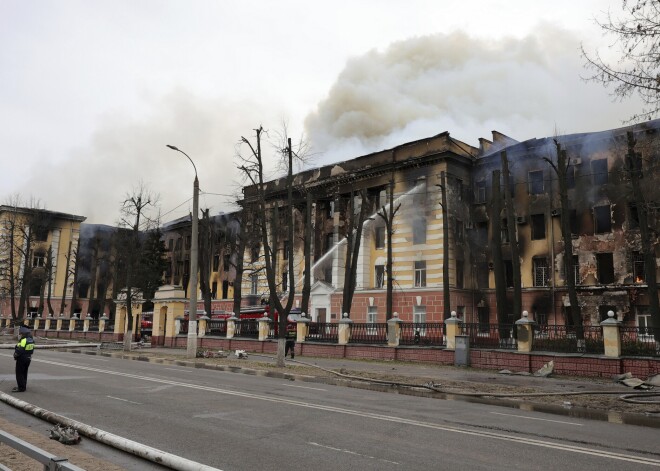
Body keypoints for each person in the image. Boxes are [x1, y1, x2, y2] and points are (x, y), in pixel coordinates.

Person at [13, 326, 35, 393]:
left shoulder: (24, 340)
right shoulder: (31, 340)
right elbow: (32, 349)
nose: (20, 334)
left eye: (21, 333)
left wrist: (15, 355)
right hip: (28, 357)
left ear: (24, 333)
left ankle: (21, 388)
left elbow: (20, 350)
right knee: (24, 373)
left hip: (22, 358)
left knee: (19, 373)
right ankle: (23, 386)